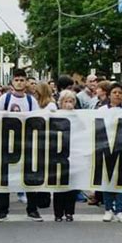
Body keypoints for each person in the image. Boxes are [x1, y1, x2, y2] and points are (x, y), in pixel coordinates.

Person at [0, 69, 42, 222]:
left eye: (22, 80)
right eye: (17, 80)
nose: (20, 82)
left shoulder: (31, 101)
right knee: (3, 178)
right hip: (7, 144)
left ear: (26, 82)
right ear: (12, 82)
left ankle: (32, 209)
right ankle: (2, 211)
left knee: (30, 177)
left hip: (26, 144)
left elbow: (37, 119)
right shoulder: (5, 99)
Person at [98, 83, 122, 224]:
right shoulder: (101, 110)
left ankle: (120, 209)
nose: (117, 95)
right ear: (109, 95)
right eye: (114, 92)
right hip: (106, 147)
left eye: (120, 93)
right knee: (108, 179)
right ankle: (108, 209)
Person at [53, 90, 79, 221]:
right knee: (58, 184)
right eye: (66, 101)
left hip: (73, 154)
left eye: (71, 101)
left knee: (71, 185)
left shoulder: (79, 117)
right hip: (59, 154)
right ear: (60, 103)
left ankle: (69, 212)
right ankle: (58, 213)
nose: (69, 104)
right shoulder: (55, 116)